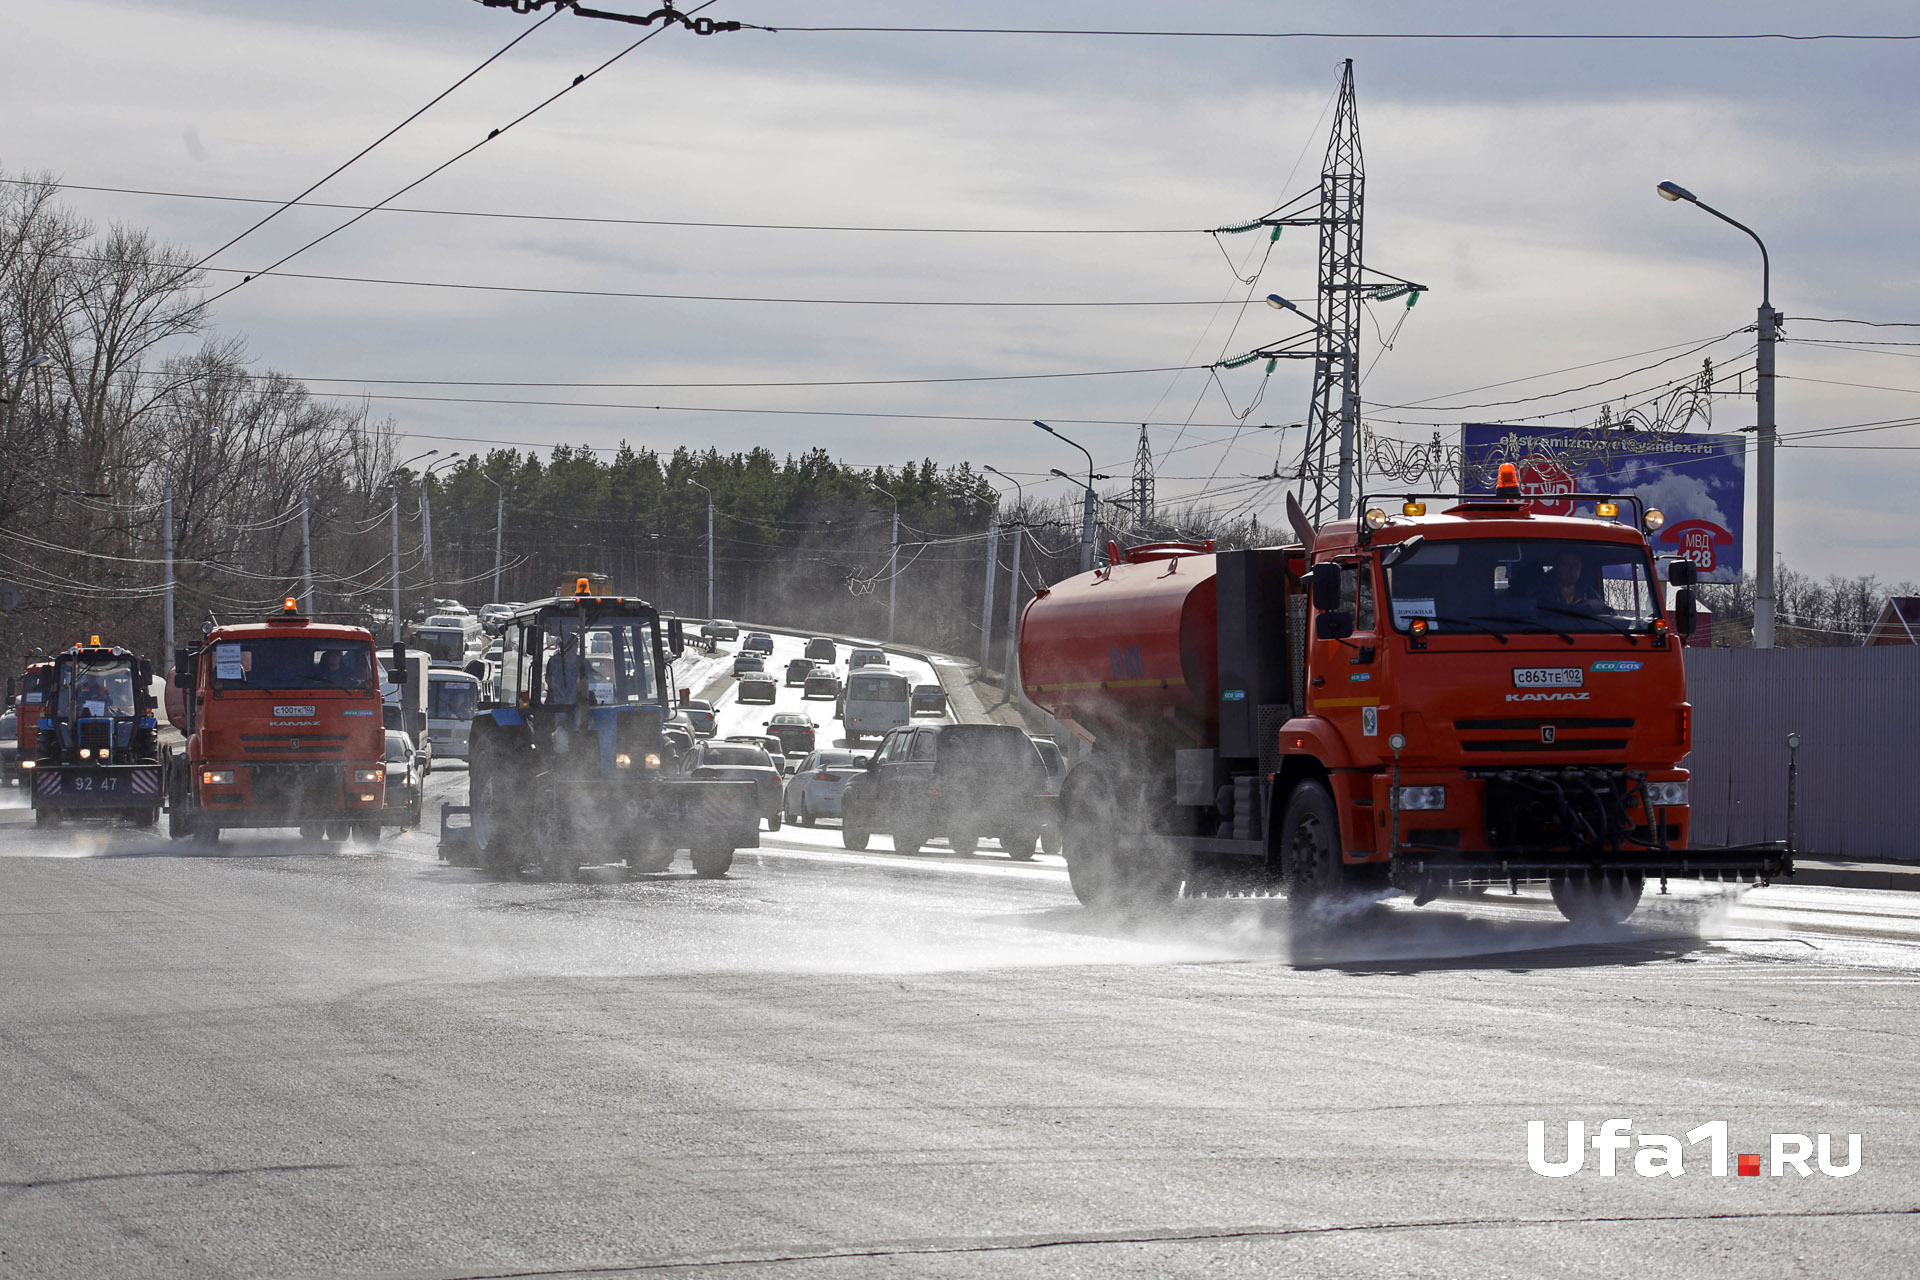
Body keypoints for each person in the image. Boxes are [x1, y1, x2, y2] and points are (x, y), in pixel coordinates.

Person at [1536, 549, 1610, 613]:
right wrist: (1585, 608)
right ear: (1556, 566)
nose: (1572, 569)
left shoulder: (1586, 589)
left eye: (1576, 565)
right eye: (1566, 564)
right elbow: (1550, 610)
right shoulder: (1544, 588)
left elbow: (1603, 608)